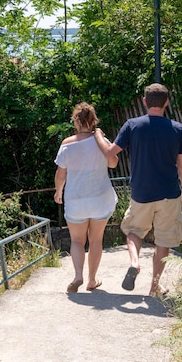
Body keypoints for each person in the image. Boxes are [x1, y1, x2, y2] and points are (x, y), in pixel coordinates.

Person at [94, 83, 182, 296]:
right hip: (169, 194)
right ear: (166, 102)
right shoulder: (177, 129)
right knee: (164, 241)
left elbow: (110, 152)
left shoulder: (132, 125)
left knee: (133, 231)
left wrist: (98, 135)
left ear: (145, 101)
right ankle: (154, 286)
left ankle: (135, 263)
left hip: (141, 193)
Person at [54, 102, 119, 293]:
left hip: (76, 200)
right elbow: (113, 163)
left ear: (75, 121)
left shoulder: (67, 145)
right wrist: (101, 139)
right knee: (96, 240)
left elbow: (60, 174)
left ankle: (78, 276)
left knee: (76, 241)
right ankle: (91, 280)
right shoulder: (101, 142)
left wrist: (59, 191)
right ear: (93, 122)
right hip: (100, 198)